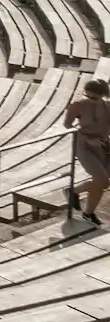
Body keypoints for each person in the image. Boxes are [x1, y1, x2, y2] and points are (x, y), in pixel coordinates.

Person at [66, 78, 110, 226]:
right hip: (84, 145)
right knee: (102, 181)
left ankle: (88, 212)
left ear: (103, 95)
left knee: (101, 182)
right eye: (88, 95)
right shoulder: (78, 105)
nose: (90, 99)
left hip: (103, 145)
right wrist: (87, 138)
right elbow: (67, 125)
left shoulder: (108, 106)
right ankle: (74, 192)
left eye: (94, 97)